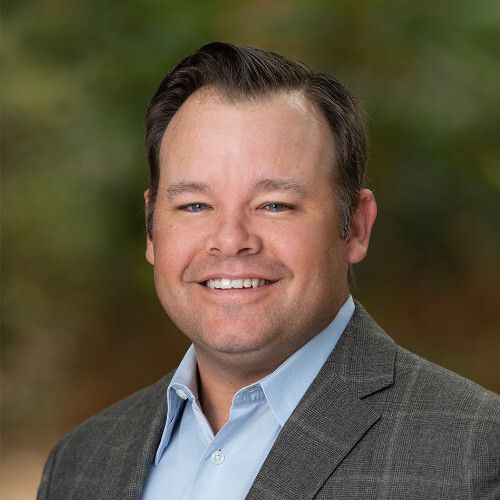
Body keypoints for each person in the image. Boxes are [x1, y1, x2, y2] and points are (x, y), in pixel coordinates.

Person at [37, 42, 499, 500]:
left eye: (275, 204)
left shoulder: (476, 456)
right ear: (152, 228)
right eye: (194, 205)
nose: (231, 239)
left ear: (356, 226)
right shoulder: (78, 466)